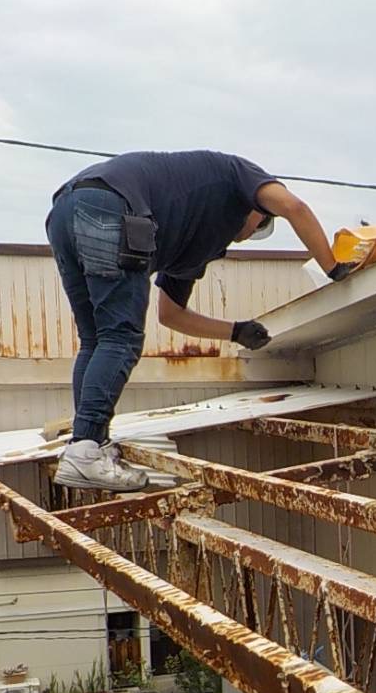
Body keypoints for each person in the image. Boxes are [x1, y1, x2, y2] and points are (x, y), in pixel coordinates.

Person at [46, 150, 357, 491]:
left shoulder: (198, 239)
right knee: (120, 338)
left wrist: (235, 331)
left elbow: (171, 314)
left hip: (65, 210)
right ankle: (85, 453)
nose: (249, 234)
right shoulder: (237, 173)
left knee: (96, 339)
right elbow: (293, 207)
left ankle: (88, 444)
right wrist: (332, 268)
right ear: (257, 206)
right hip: (111, 204)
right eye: (262, 222)